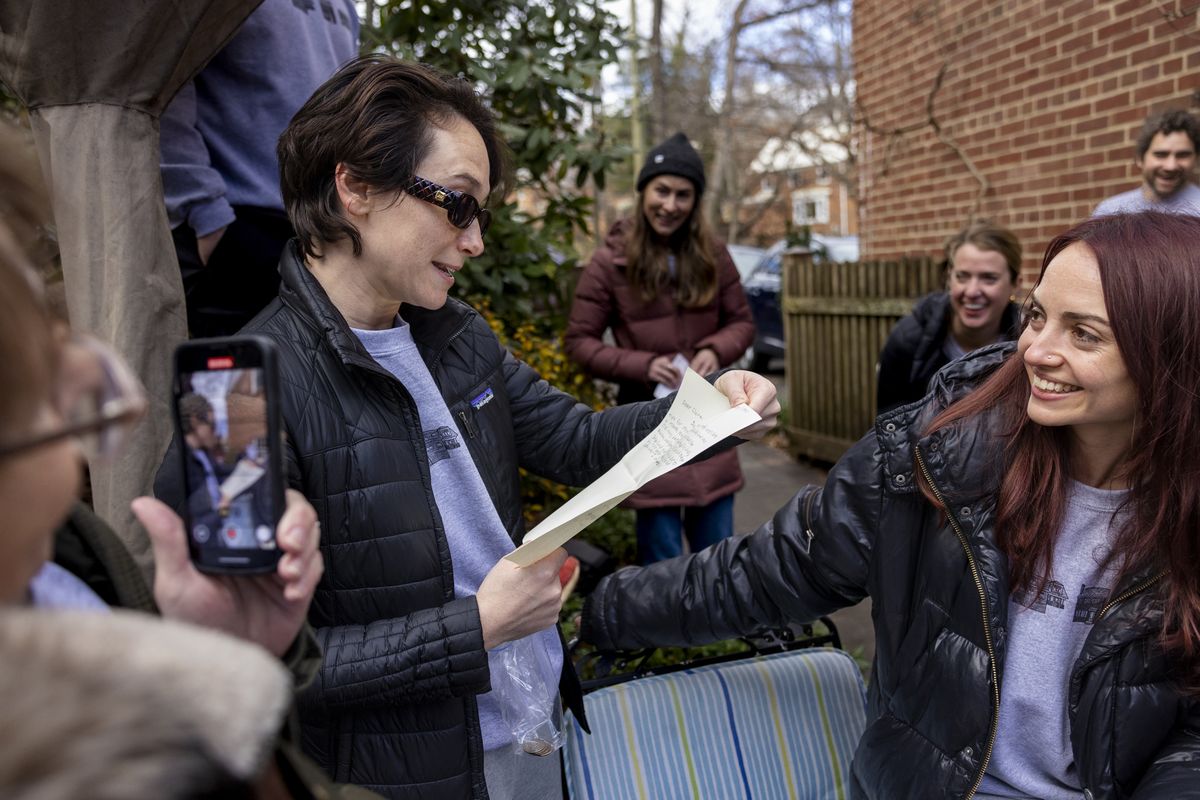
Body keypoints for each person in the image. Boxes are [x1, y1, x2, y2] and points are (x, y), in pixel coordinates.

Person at [155, 56, 779, 800]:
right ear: (353, 185)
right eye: (458, 203)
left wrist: (712, 415)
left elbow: (577, 442)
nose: (475, 239)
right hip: (404, 778)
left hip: (534, 728)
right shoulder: (242, 403)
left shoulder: (456, 337)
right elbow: (253, 668)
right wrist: (475, 629)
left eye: (481, 212)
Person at [581, 211, 1200, 799]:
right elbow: (777, 569)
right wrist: (598, 610)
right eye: (1036, 316)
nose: (1035, 351)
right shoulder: (942, 456)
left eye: (1084, 333)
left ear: (1169, 353)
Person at [565, 131, 755, 564]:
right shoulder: (608, 261)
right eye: (662, 191)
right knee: (663, 563)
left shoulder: (715, 255)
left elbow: (743, 322)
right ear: (643, 191)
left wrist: (716, 348)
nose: (670, 205)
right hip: (651, 429)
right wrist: (642, 365)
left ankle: (717, 633)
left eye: (683, 195)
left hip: (711, 421)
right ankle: (667, 633)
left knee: (717, 559)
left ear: (695, 201)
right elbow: (580, 342)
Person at [160, 0, 359, 337]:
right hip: (236, 230)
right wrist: (204, 214)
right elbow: (162, 80)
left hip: (326, 230)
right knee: (230, 388)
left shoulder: (346, 5)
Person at [876, 221, 1022, 413]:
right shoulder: (908, 340)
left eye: (989, 278)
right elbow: (890, 426)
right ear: (948, 279)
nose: (971, 291)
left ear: (1015, 284)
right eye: (962, 276)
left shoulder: (1030, 348)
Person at [1093, 108, 1200, 217]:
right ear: (1140, 159)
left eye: (1183, 155)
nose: (1171, 166)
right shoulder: (1109, 212)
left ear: (1196, 159)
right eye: (1160, 154)